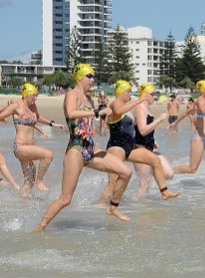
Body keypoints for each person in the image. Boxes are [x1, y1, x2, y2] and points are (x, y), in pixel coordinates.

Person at [35, 64, 134, 231]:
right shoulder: (71, 94)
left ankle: (112, 207)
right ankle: (39, 227)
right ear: (79, 77)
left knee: (125, 172)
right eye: (89, 76)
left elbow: (91, 123)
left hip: (91, 149)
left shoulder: (89, 98)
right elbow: (71, 113)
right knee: (66, 199)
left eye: (94, 76)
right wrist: (96, 112)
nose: (92, 79)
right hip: (76, 149)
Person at [98, 80, 180, 203]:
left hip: (129, 147)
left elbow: (125, 125)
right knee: (112, 184)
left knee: (155, 160)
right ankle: (99, 207)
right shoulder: (115, 104)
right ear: (120, 92)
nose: (131, 94)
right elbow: (118, 111)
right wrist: (140, 100)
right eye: (128, 91)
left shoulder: (128, 110)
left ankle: (164, 192)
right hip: (116, 147)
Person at [0, 83, 65, 198]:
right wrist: (3, 118)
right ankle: (39, 181)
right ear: (25, 95)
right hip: (20, 147)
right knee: (48, 155)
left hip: (29, 148)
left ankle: (21, 202)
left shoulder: (33, 106)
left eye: (36, 95)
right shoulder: (16, 106)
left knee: (29, 182)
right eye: (33, 95)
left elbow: (38, 117)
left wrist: (52, 124)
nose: (35, 98)